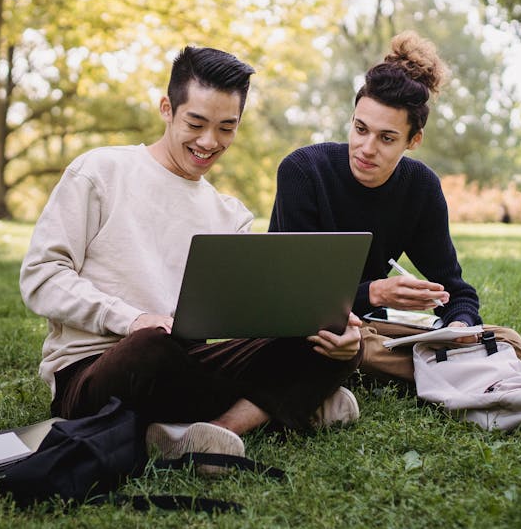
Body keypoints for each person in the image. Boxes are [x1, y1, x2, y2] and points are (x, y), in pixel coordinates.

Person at [20, 46, 362, 464]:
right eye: (196, 123)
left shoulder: (231, 215)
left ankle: (213, 432)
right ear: (167, 108)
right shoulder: (99, 172)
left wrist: (321, 325)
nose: (209, 142)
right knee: (150, 348)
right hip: (102, 369)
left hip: (188, 365)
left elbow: (242, 319)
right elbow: (41, 277)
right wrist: (133, 320)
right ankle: (285, 405)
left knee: (337, 341)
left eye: (226, 128)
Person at [269, 32, 521, 383]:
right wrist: (375, 292)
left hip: (367, 330)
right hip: (305, 328)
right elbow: (296, 298)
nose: (366, 148)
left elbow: (456, 292)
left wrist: (459, 327)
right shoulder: (303, 171)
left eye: (386, 138)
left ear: (413, 140)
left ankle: (447, 359)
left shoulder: (420, 187)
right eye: (360, 129)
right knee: (343, 343)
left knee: (509, 341)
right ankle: (456, 366)